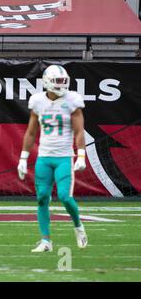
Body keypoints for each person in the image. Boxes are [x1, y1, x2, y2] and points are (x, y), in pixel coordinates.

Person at [17, 64, 88, 252]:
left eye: (64, 81)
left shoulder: (72, 100)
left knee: (65, 196)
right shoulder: (38, 101)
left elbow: (79, 130)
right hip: (44, 158)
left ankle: (78, 226)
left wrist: (81, 155)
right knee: (42, 198)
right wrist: (23, 158)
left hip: (64, 156)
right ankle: (46, 241)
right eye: (58, 81)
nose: (61, 85)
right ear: (47, 82)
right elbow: (31, 132)